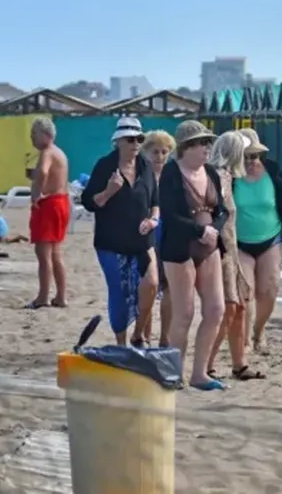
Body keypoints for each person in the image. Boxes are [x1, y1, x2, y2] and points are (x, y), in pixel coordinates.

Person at [158, 121, 226, 391]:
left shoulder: (210, 172)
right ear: (187, 146)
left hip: (209, 247)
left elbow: (222, 211)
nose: (207, 148)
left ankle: (200, 373)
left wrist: (214, 231)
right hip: (180, 249)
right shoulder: (172, 174)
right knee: (184, 313)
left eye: (208, 143)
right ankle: (175, 373)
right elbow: (170, 216)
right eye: (202, 143)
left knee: (215, 309)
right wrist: (199, 230)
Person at [81, 118, 159, 347]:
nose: (136, 143)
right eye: (130, 139)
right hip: (111, 241)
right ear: (118, 142)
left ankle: (138, 334)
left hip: (143, 240)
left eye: (139, 139)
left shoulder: (145, 165)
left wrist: (154, 219)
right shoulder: (105, 166)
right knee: (119, 293)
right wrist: (108, 191)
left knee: (152, 283)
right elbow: (89, 202)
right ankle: (121, 344)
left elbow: (155, 201)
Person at [235, 128, 282, 353]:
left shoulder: (272, 170)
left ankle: (258, 331)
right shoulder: (229, 175)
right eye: (245, 156)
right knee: (246, 291)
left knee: (269, 289)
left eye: (254, 156)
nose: (251, 161)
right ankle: (244, 341)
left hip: (270, 238)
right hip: (240, 242)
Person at [205, 131, 264, 381]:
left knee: (240, 305)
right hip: (221, 251)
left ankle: (239, 364)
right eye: (247, 154)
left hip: (231, 250)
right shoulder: (217, 178)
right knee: (229, 307)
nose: (250, 160)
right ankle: (206, 365)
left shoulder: (227, 177)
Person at [27, 116, 70, 309]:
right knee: (55, 253)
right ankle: (61, 296)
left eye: (34, 134)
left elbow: (44, 172)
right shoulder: (59, 152)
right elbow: (51, 174)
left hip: (49, 204)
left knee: (43, 252)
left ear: (45, 135)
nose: (32, 138)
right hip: (61, 202)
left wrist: (37, 194)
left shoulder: (47, 152)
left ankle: (43, 297)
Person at [141, 130, 176, 347]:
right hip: (146, 235)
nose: (160, 156)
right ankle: (145, 336)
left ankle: (165, 337)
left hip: (170, 236)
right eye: (155, 151)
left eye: (164, 152)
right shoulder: (140, 175)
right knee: (147, 288)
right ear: (146, 152)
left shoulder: (174, 177)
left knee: (169, 288)